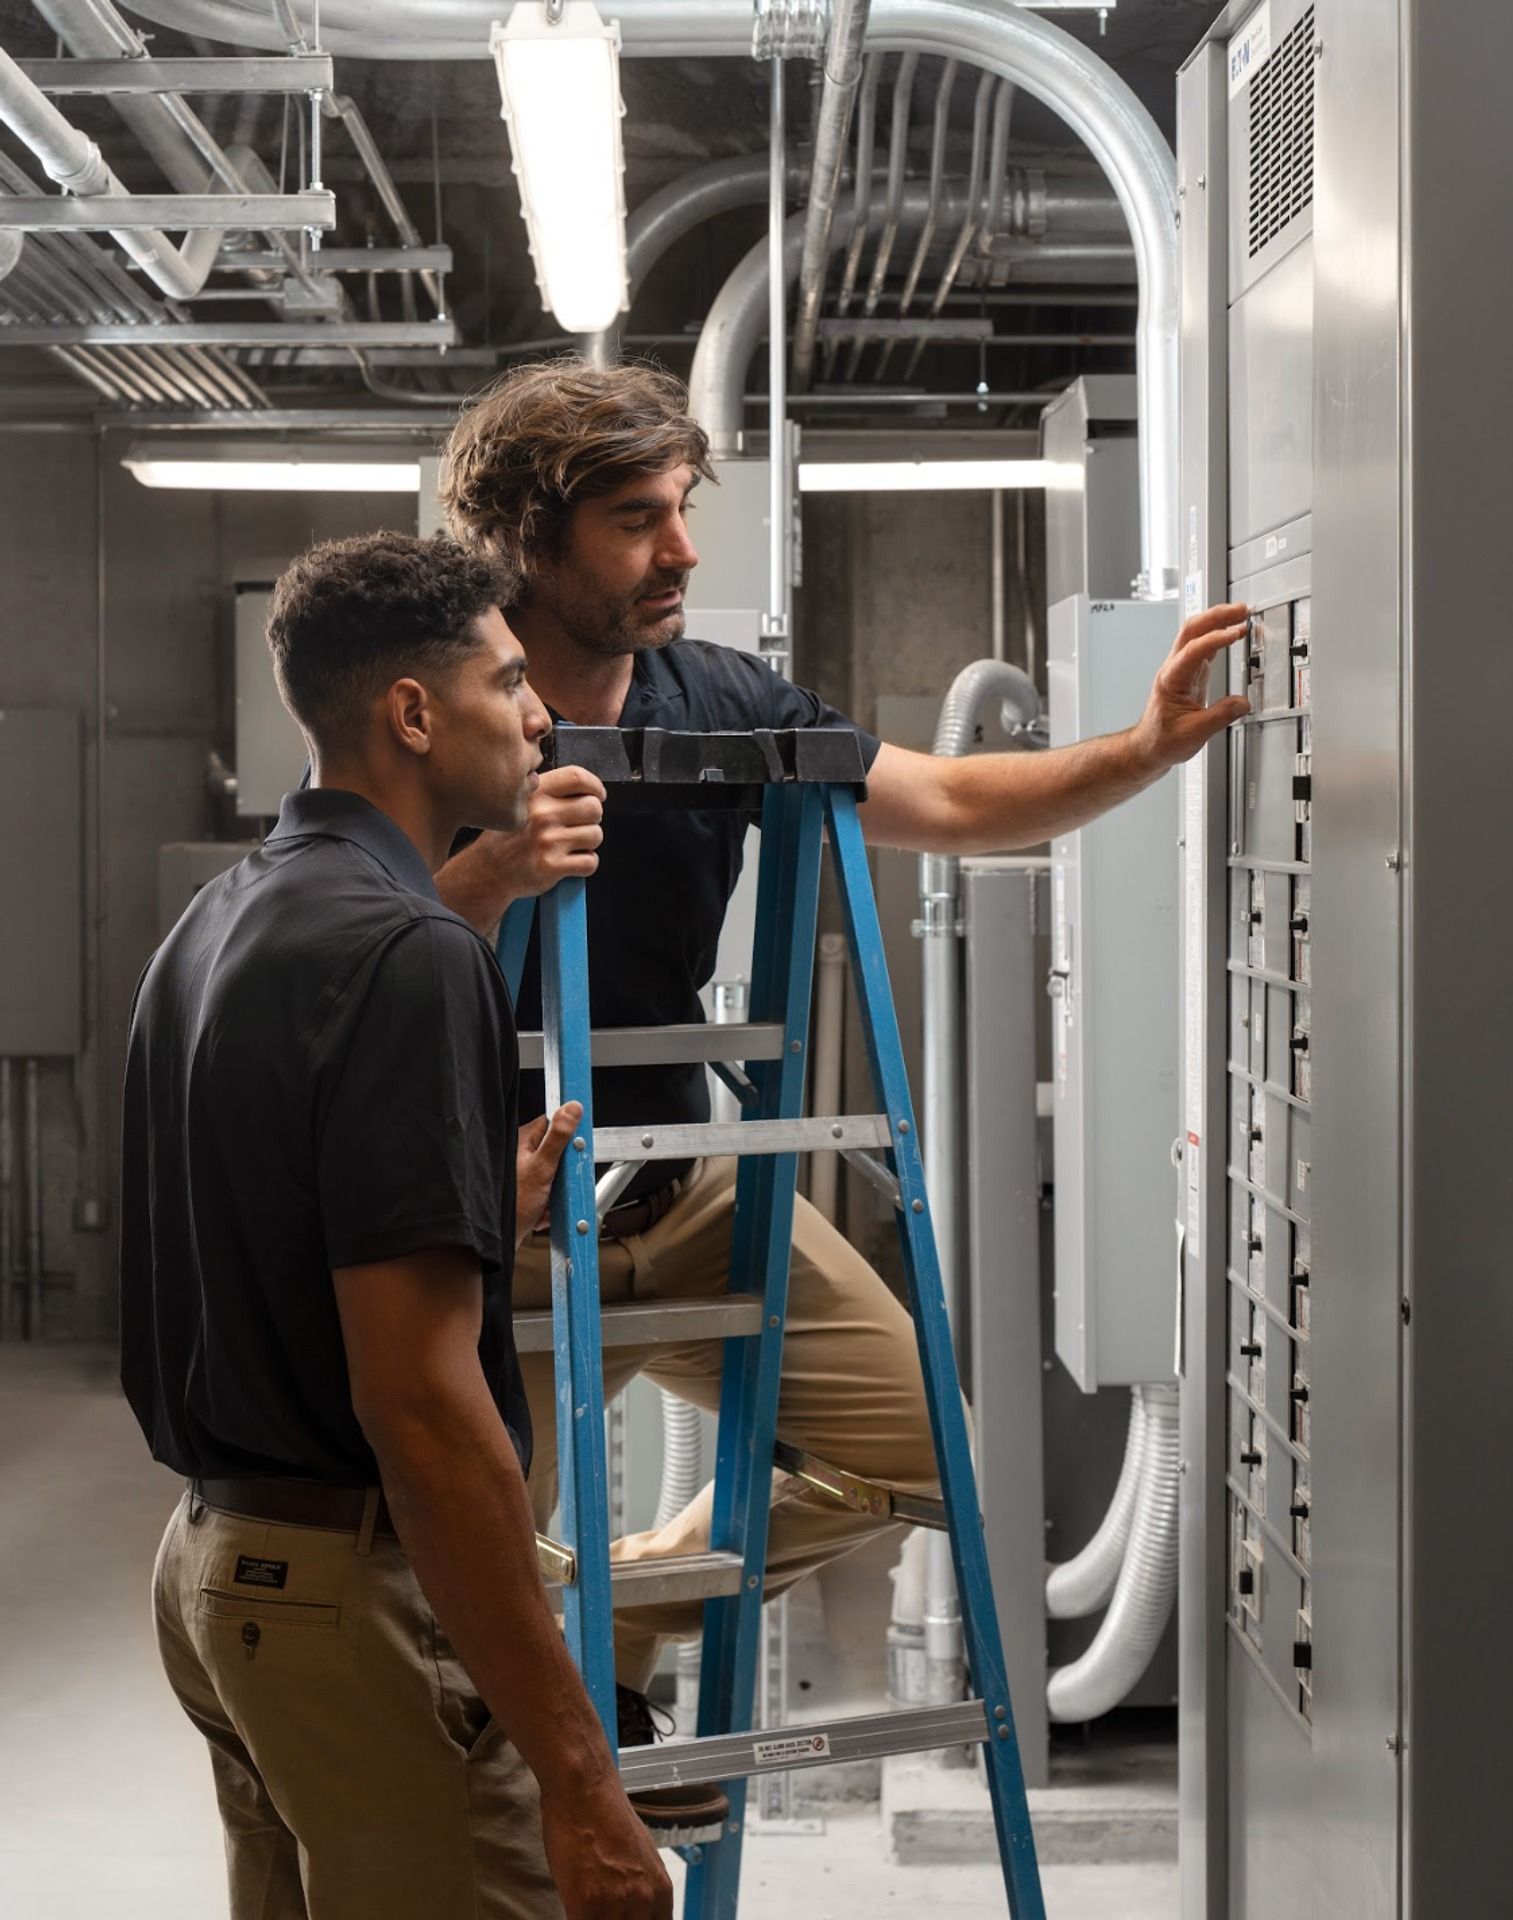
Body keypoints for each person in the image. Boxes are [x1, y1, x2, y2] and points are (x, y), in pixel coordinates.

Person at [432, 355, 1250, 1816]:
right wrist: (486, 871)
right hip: (494, 1211)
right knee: (450, 1576)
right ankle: (521, 1789)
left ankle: (609, 1635)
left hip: (683, 1185)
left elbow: (933, 802)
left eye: (682, 510)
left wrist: (1142, 750)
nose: (680, 549)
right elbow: (338, 926)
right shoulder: (436, 702)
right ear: (523, 538)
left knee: (925, 1448)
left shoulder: (719, 693)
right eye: (635, 519)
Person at [120, 531, 673, 1920]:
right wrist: (580, 1776)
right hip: (351, 1598)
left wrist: (482, 1207)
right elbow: (420, 1407)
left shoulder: (219, 922)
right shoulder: (414, 951)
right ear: (413, 715)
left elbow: (260, 1222)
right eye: (505, 682)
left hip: (218, 1573)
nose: (540, 712)